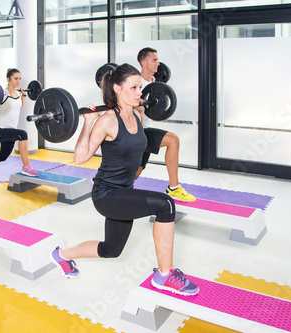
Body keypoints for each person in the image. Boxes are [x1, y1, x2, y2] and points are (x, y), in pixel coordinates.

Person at [50, 64, 198, 296]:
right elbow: (80, 158)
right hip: (107, 194)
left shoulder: (138, 114)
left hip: (124, 191)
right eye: (134, 87)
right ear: (118, 88)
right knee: (165, 204)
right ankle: (165, 275)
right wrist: (88, 123)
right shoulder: (107, 120)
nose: (141, 92)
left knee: (111, 250)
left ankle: (61, 255)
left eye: (141, 87)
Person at [135, 47, 196, 202]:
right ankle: (174, 187)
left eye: (158, 59)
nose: (158, 63)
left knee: (135, 174)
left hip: (144, 129)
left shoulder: (154, 83)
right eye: (154, 60)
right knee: (173, 140)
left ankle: (106, 180)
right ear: (144, 62)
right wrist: (136, 103)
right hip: (134, 131)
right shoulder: (136, 82)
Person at [0, 68, 39, 178]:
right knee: (23, 134)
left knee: (2, 156)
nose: (18, 81)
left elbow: (17, 110)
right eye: (15, 78)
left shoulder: (18, 94)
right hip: (1, 130)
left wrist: (24, 98)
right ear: (8, 79)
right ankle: (26, 167)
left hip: (10, 131)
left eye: (19, 79)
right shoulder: (3, 94)